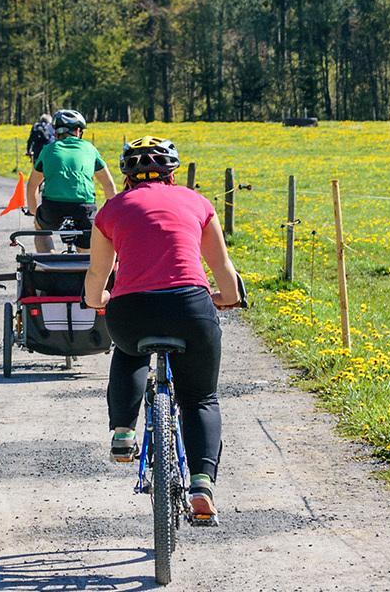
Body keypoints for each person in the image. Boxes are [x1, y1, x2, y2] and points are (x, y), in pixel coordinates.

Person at [83, 136, 241, 526]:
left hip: (131, 309)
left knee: (129, 350)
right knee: (201, 397)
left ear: (127, 174)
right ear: (172, 172)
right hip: (191, 306)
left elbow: (96, 276)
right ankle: (202, 484)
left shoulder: (111, 209)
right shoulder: (197, 202)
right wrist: (228, 297)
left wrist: (96, 299)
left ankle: (122, 431)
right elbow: (224, 271)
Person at [24, 109, 115, 253]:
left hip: (52, 208)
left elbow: (32, 186)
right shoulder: (90, 149)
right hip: (84, 207)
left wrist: (34, 212)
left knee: (40, 228)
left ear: (56, 132)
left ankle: (50, 259)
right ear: (78, 131)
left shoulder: (48, 150)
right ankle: (83, 265)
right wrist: (111, 214)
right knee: (86, 248)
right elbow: (108, 185)